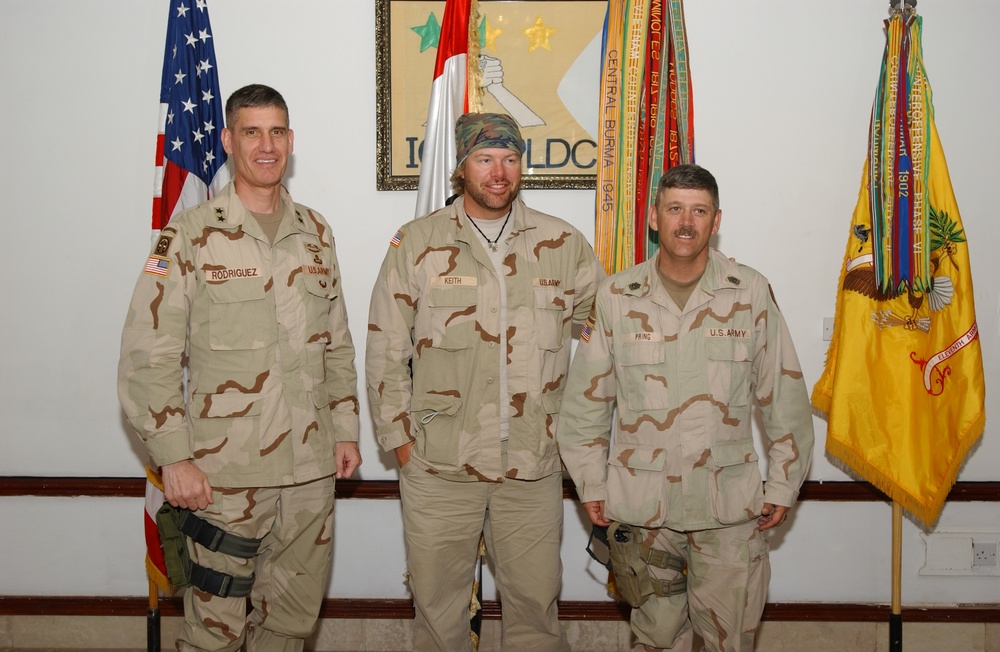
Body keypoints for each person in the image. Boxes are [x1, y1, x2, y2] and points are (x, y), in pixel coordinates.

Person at [118, 84, 361, 651]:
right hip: (224, 480)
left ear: (291, 141)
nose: (266, 145)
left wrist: (346, 429)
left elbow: (338, 344)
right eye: (251, 131)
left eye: (277, 131)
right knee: (215, 636)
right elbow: (146, 356)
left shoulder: (316, 234)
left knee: (290, 628)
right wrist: (173, 457)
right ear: (228, 140)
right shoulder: (190, 236)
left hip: (309, 473)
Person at [366, 112, 605, 651]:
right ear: (461, 167)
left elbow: (603, 339)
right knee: (438, 612)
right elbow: (386, 344)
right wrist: (400, 442)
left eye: (510, 158)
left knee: (535, 611)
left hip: (532, 466)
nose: (499, 172)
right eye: (485, 159)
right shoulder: (419, 243)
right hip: (440, 464)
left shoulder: (562, 243)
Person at [556, 164, 814, 652]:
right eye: (675, 209)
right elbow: (584, 405)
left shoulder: (749, 292)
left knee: (728, 643)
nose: (686, 222)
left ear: (717, 222)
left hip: (728, 513)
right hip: (643, 511)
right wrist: (591, 482)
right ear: (654, 217)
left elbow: (784, 396)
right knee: (655, 643)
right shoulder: (616, 298)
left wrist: (783, 481)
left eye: (699, 211)